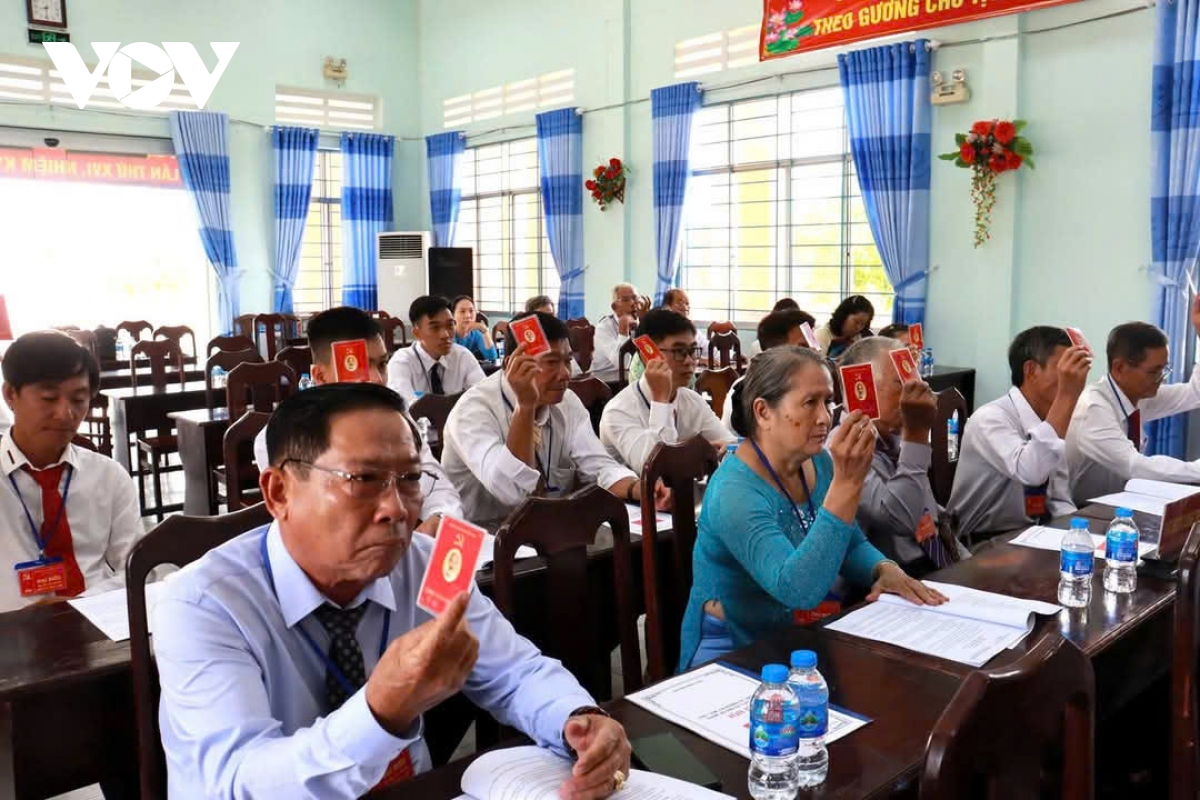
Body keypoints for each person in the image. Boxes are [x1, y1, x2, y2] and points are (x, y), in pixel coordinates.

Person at [154, 384, 632, 798]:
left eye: (408, 479)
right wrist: (378, 712)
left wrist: (579, 719)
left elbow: (514, 671)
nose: (396, 509)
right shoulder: (200, 604)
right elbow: (239, 781)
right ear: (279, 492)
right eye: (362, 479)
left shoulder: (428, 562)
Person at [679, 346, 944, 670]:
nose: (824, 417)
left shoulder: (816, 460)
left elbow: (851, 543)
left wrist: (883, 569)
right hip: (730, 650)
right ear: (763, 412)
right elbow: (797, 590)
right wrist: (847, 485)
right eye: (809, 403)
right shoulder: (735, 492)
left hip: (793, 638)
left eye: (828, 401)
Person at [442, 312, 667, 524]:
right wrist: (525, 406)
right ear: (513, 364)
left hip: (549, 532)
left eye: (567, 360)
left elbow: (598, 466)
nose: (565, 374)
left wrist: (640, 488)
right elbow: (514, 492)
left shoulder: (567, 402)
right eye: (551, 362)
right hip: (481, 542)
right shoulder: (472, 411)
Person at [253, 306, 463, 533]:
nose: (377, 379)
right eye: (358, 366)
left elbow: (439, 487)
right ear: (320, 377)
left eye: (382, 364)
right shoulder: (283, 437)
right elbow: (327, 522)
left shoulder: (397, 424)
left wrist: (439, 518)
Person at [0, 331, 144, 612]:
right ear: (10, 395)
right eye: (49, 398)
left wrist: (79, 604)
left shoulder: (108, 476)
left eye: (79, 400)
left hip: (98, 621)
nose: (66, 414)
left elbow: (140, 568)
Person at [839, 337, 969, 573]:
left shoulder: (895, 438)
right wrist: (917, 435)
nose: (916, 393)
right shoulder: (844, 447)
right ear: (862, 387)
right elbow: (898, 519)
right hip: (895, 578)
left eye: (916, 381)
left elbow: (932, 518)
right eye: (903, 384)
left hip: (941, 563)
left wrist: (970, 565)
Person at [950, 327, 1092, 540]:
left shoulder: (1051, 419)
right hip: (982, 542)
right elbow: (1031, 471)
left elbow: (1058, 498)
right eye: (1064, 369)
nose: (1073, 378)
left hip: (1033, 534)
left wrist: (1078, 534)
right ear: (1031, 370)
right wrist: (1067, 396)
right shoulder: (990, 418)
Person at [1067, 304, 1200, 503]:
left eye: (1164, 369)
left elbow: (1193, 394)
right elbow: (1134, 466)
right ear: (1119, 368)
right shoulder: (1094, 407)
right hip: (1078, 512)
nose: (1161, 378)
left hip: (1117, 503)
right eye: (1154, 371)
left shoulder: (1137, 394)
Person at [599, 310, 734, 474]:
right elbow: (655, 470)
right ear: (648, 354)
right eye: (679, 352)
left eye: (692, 351)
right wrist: (661, 400)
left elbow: (729, 446)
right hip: (633, 499)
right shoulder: (618, 411)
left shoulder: (691, 400)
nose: (690, 361)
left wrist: (726, 450)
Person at [720, 308, 818, 429]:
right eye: (804, 348)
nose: (815, 355)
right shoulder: (746, 392)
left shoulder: (813, 386)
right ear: (773, 352)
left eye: (814, 347)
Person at [387, 295, 485, 407]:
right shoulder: (402, 362)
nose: (445, 334)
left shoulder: (462, 356)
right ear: (417, 333)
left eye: (450, 325)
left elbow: (484, 396)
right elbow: (406, 408)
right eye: (435, 328)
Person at [592, 283, 650, 383]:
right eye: (626, 300)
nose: (633, 303)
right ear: (615, 307)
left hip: (629, 377)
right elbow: (624, 364)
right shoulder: (604, 328)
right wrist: (623, 330)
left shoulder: (640, 323)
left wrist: (645, 322)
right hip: (603, 381)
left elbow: (652, 357)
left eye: (635, 298)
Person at [816, 295, 874, 359]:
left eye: (863, 324)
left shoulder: (864, 336)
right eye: (856, 322)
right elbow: (817, 363)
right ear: (843, 316)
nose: (859, 328)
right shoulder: (822, 334)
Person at [451, 295, 497, 361]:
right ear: (453, 315)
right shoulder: (449, 334)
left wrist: (485, 331)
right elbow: (455, 359)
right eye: (462, 311)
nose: (468, 315)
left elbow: (492, 357)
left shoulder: (476, 334)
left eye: (471, 311)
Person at [661, 288, 707, 352]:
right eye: (679, 302)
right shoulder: (663, 331)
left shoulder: (693, 331)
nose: (684, 307)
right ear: (667, 307)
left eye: (687, 304)